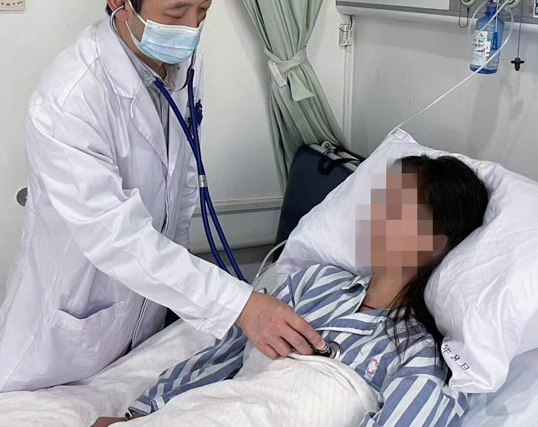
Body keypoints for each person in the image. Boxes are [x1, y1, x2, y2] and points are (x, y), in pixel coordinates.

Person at [0, 0, 323, 395]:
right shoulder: (68, 99)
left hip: (145, 322)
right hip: (69, 333)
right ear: (120, 3)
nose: (193, 29)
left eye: (204, 10)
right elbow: (116, 237)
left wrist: (191, 294)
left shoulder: (179, 67)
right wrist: (238, 305)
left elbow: (178, 188)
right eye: (177, 14)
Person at [91, 155, 490, 426]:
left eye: (395, 210)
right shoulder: (314, 284)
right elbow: (226, 357)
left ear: (432, 243)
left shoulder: (417, 353)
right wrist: (144, 411)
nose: (373, 217)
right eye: (378, 202)